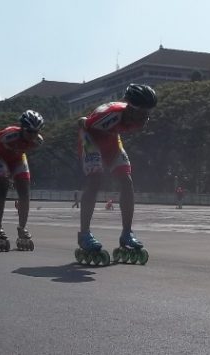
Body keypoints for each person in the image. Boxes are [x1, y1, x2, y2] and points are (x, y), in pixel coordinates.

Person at [75, 83, 157, 265]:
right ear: (130, 107)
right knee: (95, 180)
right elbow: (83, 123)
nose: (145, 117)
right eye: (142, 112)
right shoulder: (110, 114)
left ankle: (127, 233)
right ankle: (84, 234)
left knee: (127, 181)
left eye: (148, 112)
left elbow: (119, 130)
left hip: (111, 140)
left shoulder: (138, 118)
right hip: (91, 138)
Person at [0, 110, 45, 251]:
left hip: (18, 158)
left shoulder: (38, 141)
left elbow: (24, 148)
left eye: (36, 131)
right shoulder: (8, 134)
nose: (33, 135)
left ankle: (22, 228)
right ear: (22, 128)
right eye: (30, 131)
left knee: (25, 192)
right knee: (2, 186)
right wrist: (2, 172)